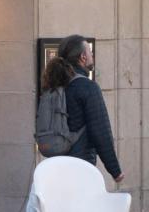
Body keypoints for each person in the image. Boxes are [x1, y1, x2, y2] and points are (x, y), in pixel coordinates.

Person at [41, 34, 123, 183]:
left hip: (56, 167)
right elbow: (101, 132)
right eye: (90, 52)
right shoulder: (88, 87)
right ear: (83, 57)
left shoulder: (52, 86)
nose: (92, 55)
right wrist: (115, 171)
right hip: (81, 166)